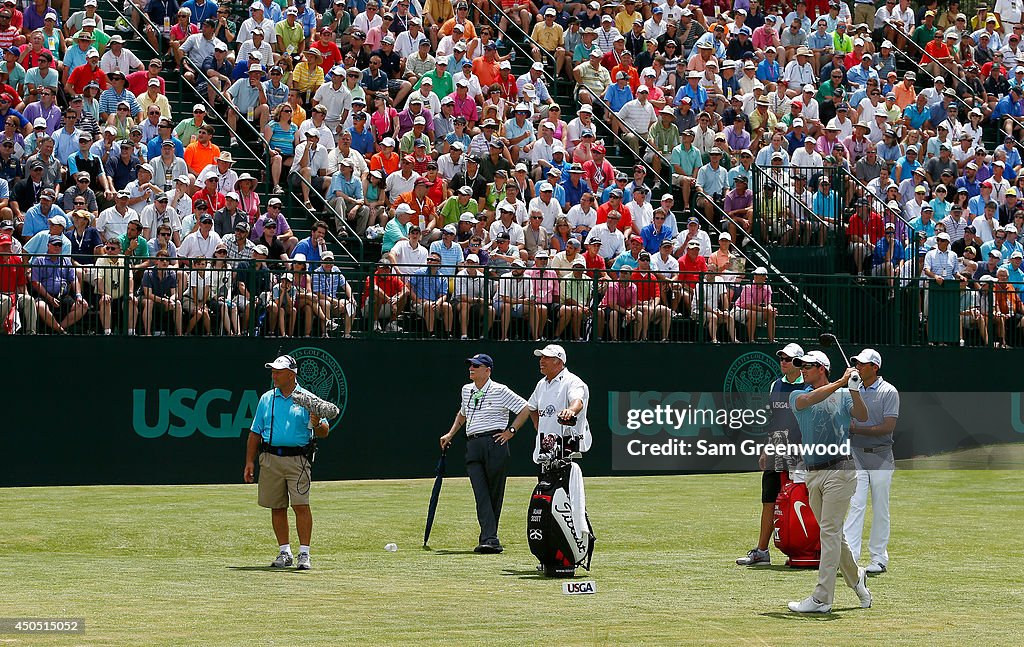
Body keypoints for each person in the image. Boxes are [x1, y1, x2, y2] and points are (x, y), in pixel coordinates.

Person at [787, 350, 872, 614]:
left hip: (841, 470)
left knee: (829, 532)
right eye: (801, 366)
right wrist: (840, 382)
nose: (802, 370)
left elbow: (863, 415)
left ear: (821, 368)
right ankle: (857, 577)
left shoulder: (845, 394)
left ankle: (822, 598)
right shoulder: (796, 395)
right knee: (833, 532)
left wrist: (854, 389)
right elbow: (809, 400)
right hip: (813, 473)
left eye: (808, 367)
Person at [244, 354, 331, 571]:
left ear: (291, 375)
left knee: (301, 505)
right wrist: (249, 462)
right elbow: (255, 432)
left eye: (278, 371)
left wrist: (317, 422)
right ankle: (285, 552)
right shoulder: (267, 399)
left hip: (298, 460)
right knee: (277, 507)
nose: (273, 375)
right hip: (270, 458)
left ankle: (304, 553)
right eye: (273, 371)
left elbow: (324, 431)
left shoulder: (308, 398)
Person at [438, 353, 531, 554]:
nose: (471, 368)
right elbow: (463, 413)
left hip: (494, 442)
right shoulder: (466, 390)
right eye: (471, 365)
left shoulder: (500, 390)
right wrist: (451, 433)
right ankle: (490, 538)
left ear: (487, 370)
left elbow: (525, 408)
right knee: (481, 493)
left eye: (476, 366)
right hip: (473, 444)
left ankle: (489, 538)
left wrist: (511, 431)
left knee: (494, 493)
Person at [737, 342, 805, 567]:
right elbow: (773, 420)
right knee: (769, 501)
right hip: (776, 449)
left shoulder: (809, 386)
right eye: (782, 358)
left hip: (801, 452)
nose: (783, 362)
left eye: (788, 359)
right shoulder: (776, 385)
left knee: (804, 500)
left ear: (798, 363)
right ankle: (762, 551)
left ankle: (806, 548)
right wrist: (766, 447)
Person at [843, 348, 900, 576]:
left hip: (882, 455)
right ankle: (850, 557)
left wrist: (857, 429)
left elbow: (888, 426)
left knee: (880, 507)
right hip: (856, 453)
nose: (858, 366)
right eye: (856, 362)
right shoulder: (853, 389)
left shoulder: (889, 391)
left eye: (862, 364)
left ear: (874, 367)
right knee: (856, 504)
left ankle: (878, 558)